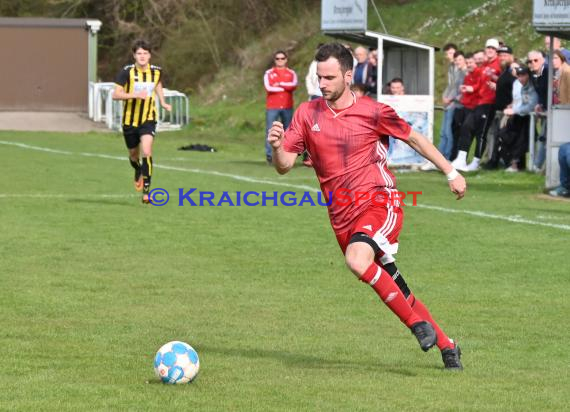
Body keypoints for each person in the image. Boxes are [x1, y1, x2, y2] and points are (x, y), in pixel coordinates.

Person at [267, 43, 466, 370]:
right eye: (319, 77)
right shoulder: (307, 113)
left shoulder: (373, 110)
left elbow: (414, 139)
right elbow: (285, 165)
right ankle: (447, 346)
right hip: (341, 216)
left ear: (348, 75)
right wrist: (276, 147)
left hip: (378, 201)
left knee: (357, 259)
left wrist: (451, 171)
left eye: (330, 77)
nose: (323, 83)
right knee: (397, 287)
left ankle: (417, 326)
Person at [112, 39, 172, 204]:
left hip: (148, 118)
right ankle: (138, 169)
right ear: (134, 55)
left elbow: (157, 85)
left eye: (145, 53)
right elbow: (115, 94)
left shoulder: (157, 71)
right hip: (130, 121)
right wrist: (134, 95)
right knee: (133, 155)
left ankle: (146, 192)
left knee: (147, 151)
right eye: (139, 53)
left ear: (150, 55)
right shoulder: (126, 72)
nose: (142, 56)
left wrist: (163, 101)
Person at [498, 66, 538, 172]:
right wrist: (512, 107)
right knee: (505, 135)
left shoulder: (532, 87)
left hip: (526, 117)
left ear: (528, 76)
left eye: (523, 76)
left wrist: (514, 111)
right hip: (519, 116)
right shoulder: (521, 86)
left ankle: (517, 165)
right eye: (519, 76)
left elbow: (530, 105)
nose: (520, 78)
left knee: (520, 141)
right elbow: (519, 102)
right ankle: (513, 163)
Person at [484, 45, 517, 169]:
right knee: (496, 136)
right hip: (499, 109)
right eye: (500, 55)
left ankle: (505, 162)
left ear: (511, 57)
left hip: (508, 111)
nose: (502, 57)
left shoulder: (513, 70)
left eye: (505, 55)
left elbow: (517, 89)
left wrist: (513, 104)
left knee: (503, 137)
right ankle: (494, 161)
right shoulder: (504, 71)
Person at [264, 50, 298, 165]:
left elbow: (293, 85)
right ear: (275, 60)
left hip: (287, 106)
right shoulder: (269, 73)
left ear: (286, 59)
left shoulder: (291, 73)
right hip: (272, 106)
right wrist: (284, 86)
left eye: (282, 58)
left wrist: (279, 84)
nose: (280, 60)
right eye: (278, 58)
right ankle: (270, 156)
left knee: (288, 132)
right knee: (271, 131)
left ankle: (286, 155)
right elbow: (269, 87)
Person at [439, 43, 459, 160]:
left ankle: (446, 156)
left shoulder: (459, 68)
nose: (449, 56)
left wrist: (450, 99)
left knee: (448, 131)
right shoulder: (451, 67)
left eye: (451, 53)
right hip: (448, 102)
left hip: (454, 103)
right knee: (443, 132)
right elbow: (450, 85)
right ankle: (440, 156)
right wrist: (444, 96)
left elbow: (457, 87)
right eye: (448, 54)